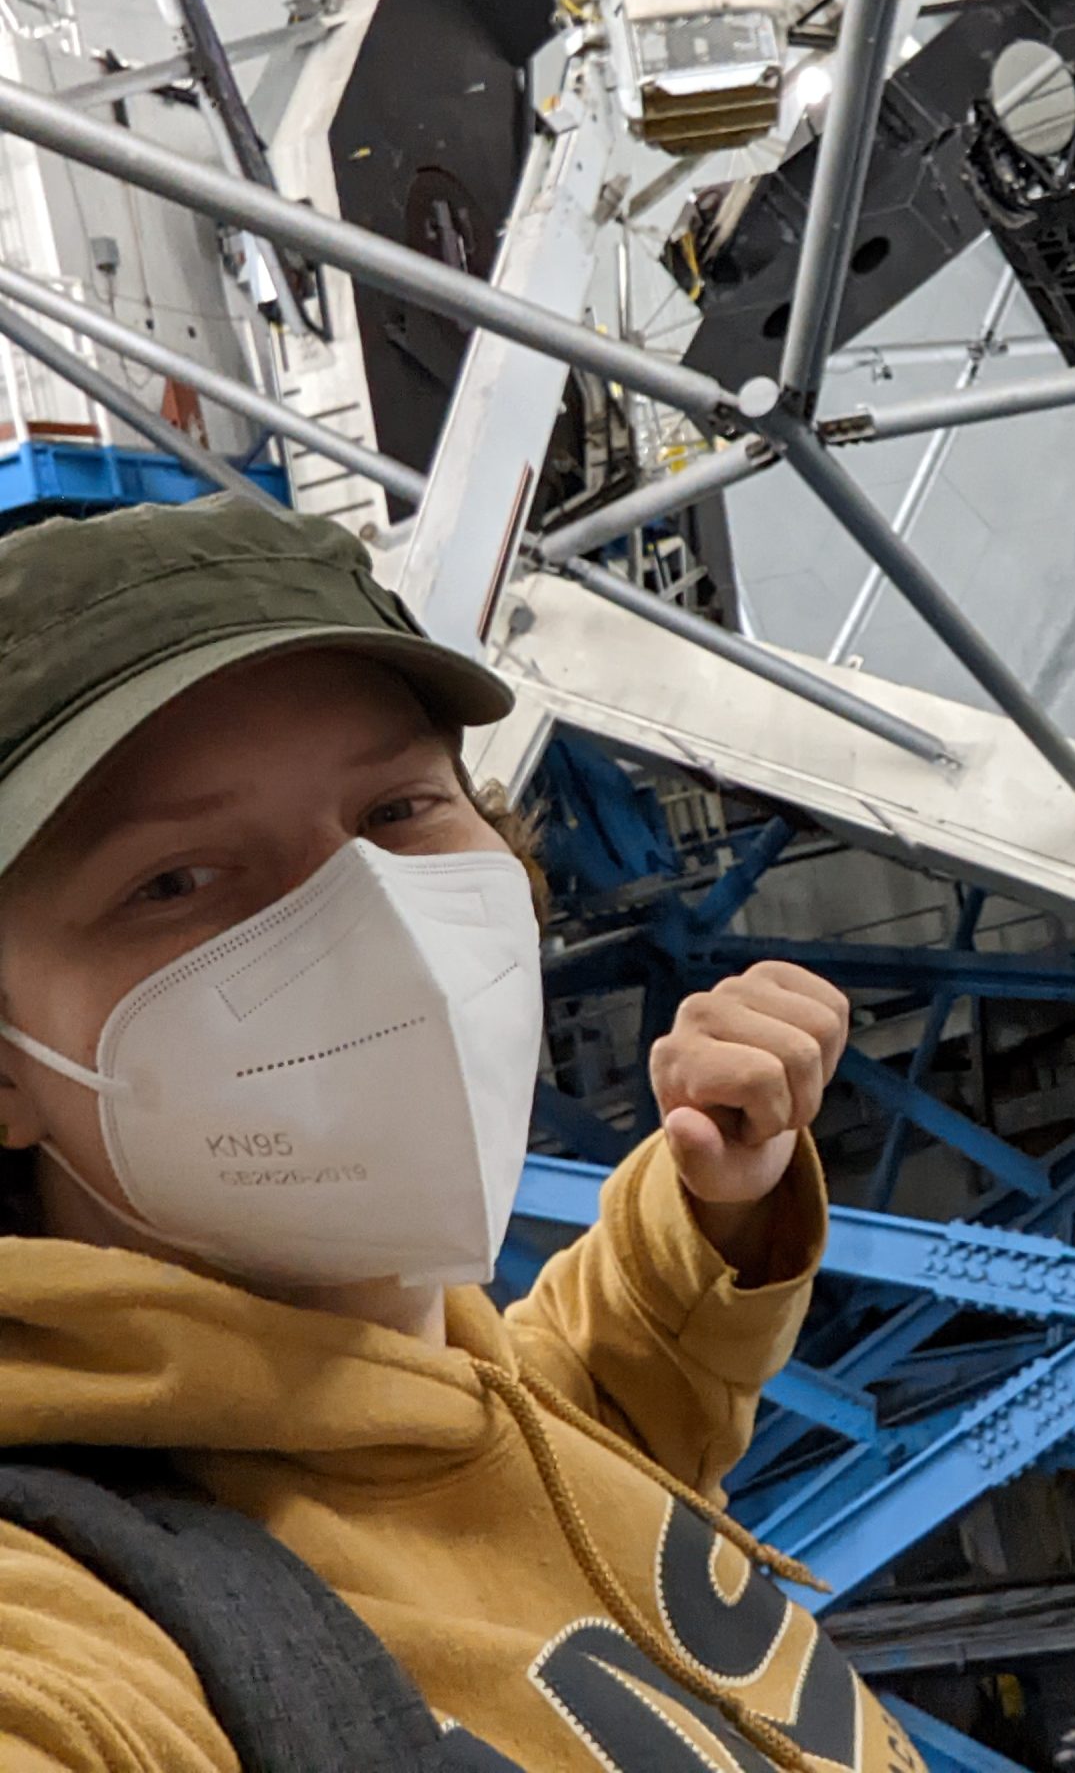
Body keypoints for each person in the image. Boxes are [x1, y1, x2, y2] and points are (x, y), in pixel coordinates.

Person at [0, 497, 920, 1773]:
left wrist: (715, 1204)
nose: (371, 918)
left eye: (397, 811)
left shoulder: (482, 1412)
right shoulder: (81, 1631)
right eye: (177, 879)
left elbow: (552, 1401)